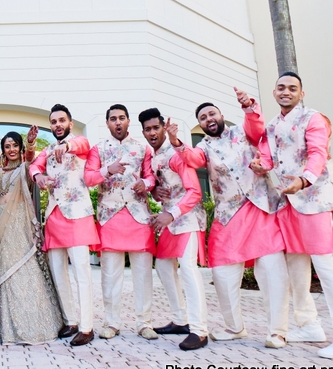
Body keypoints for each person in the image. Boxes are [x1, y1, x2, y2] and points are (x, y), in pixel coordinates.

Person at [252, 72, 333, 359]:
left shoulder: (315, 118)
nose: (286, 91)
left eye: (292, 88)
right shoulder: (273, 125)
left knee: (327, 268)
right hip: (288, 204)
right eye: (281, 88)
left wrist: (303, 180)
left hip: (315, 202)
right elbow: (268, 156)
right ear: (274, 92)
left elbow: (317, 152)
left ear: (302, 93)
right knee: (296, 267)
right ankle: (309, 324)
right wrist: (259, 164)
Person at [167, 88, 289, 349]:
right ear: (200, 124)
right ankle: (235, 327)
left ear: (221, 115)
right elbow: (192, 159)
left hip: (259, 207)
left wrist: (248, 106)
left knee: (270, 270)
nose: (208, 118)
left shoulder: (241, 132)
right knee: (222, 272)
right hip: (228, 214)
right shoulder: (203, 148)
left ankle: (277, 331)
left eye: (212, 113)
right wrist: (176, 141)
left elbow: (257, 129)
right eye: (202, 117)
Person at [0, 129, 64, 344]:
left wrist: (30, 143)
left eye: (14, 146)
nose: (11, 150)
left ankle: (26, 324)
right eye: (7, 146)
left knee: (19, 266)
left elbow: (30, 158)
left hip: (19, 224)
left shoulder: (26, 168)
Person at [84, 104, 157, 341]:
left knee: (143, 273)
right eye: (113, 119)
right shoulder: (98, 149)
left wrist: (144, 185)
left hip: (138, 215)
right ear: (107, 123)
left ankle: (144, 322)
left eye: (122, 118)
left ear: (128, 122)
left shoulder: (142, 148)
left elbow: (151, 177)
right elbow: (89, 178)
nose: (117, 122)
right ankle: (111, 322)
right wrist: (108, 169)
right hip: (110, 216)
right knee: (110, 274)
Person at [139, 108, 208, 351]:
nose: (152, 133)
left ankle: (199, 331)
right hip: (170, 218)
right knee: (164, 266)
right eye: (147, 129)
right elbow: (156, 184)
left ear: (163, 127)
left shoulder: (177, 154)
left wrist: (171, 213)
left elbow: (195, 191)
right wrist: (155, 191)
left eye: (156, 127)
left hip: (186, 217)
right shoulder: (153, 156)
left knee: (188, 268)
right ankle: (181, 320)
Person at [30, 104, 99, 346]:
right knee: (59, 273)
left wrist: (66, 146)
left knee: (82, 273)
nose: (57, 125)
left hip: (77, 214)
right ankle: (70, 321)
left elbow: (82, 145)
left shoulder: (79, 142)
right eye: (54, 122)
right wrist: (38, 176)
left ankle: (87, 326)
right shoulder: (46, 150)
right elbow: (34, 165)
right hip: (54, 215)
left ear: (70, 123)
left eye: (62, 120)